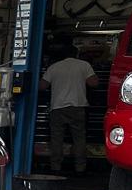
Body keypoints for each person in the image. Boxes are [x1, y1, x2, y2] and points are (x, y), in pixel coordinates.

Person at [40, 45, 97, 174]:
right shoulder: (84, 65)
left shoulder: (54, 67)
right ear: (76, 53)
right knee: (79, 139)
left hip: (57, 108)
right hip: (77, 107)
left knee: (56, 139)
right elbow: (94, 83)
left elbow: (42, 86)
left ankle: (56, 167)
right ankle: (80, 168)